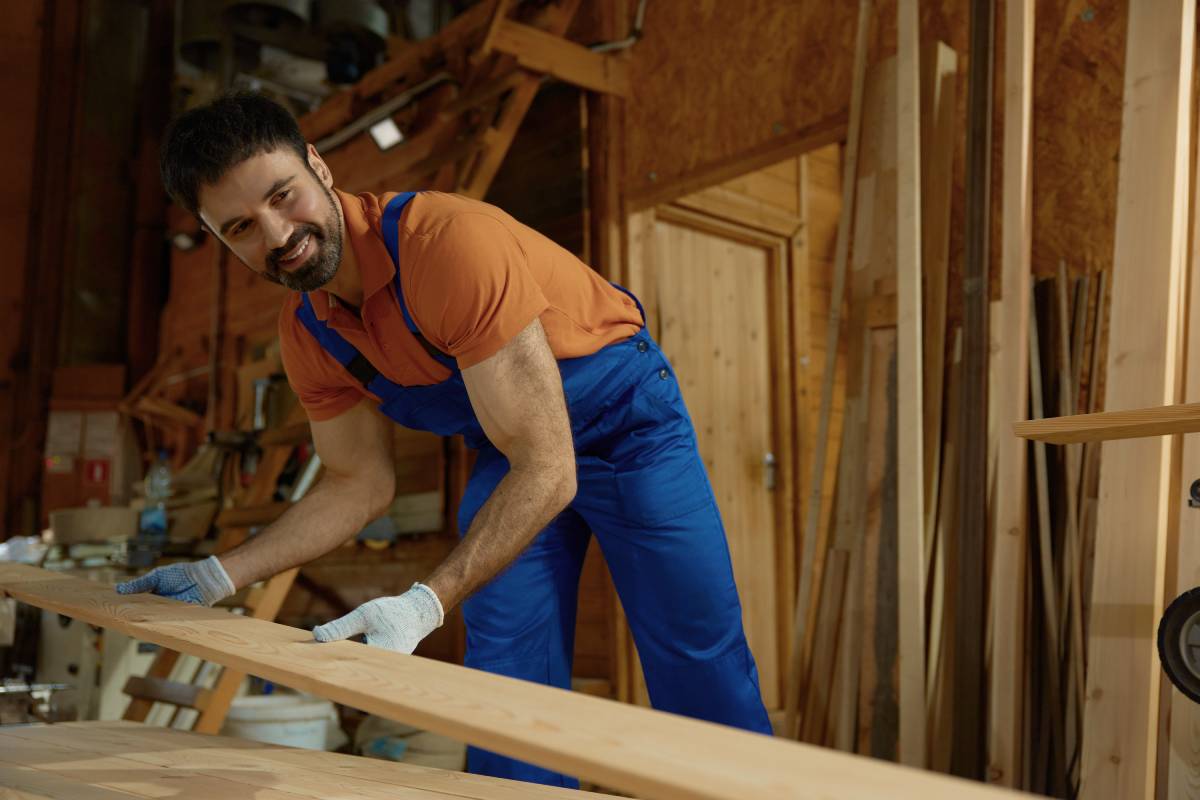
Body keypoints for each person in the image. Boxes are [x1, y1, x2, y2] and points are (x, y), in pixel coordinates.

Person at [117, 92, 771, 785]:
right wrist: (221, 574)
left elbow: (551, 470)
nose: (278, 236)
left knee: (694, 649)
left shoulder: (446, 244)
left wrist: (425, 600)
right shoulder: (309, 334)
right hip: (512, 449)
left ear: (319, 166)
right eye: (242, 227)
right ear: (217, 239)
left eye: (284, 196)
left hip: (626, 427)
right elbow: (357, 484)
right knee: (503, 672)